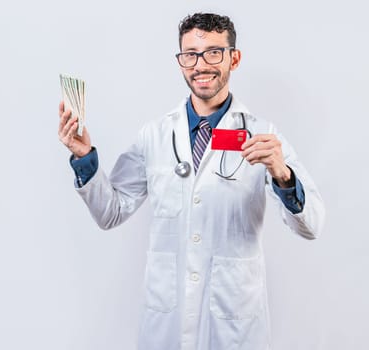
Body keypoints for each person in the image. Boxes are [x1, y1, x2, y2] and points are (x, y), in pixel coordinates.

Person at [57, 12, 325, 350]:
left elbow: (311, 225)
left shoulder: (263, 135)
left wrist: (283, 174)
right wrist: (84, 158)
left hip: (234, 324)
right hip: (166, 322)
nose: (201, 65)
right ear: (181, 61)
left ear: (234, 58)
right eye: (190, 55)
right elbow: (110, 212)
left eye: (214, 52)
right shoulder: (154, 135)